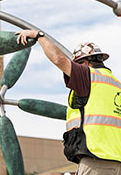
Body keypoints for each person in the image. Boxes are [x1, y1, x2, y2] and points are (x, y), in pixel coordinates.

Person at [16, 30, 121, 175]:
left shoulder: (87, 75)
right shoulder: (116, 85)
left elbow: (59, 59)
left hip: (96, 161)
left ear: (85, 62)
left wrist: (39, 36)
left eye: (77, 64)